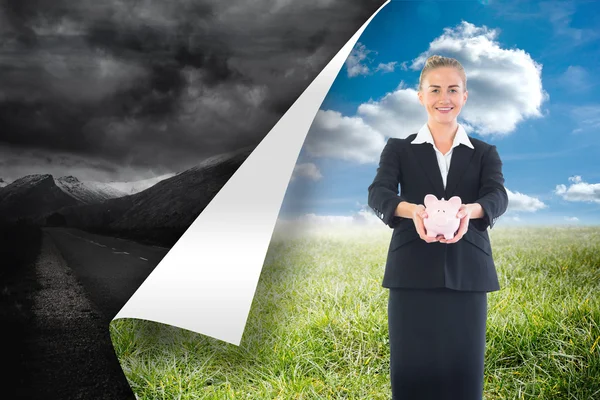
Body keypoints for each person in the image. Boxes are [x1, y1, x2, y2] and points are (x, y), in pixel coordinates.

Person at [367, 55, 508, 400]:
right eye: (435, 89)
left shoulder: (484, 152)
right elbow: (379, 192)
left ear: (464, 96)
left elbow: (497, 195)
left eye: (452, 89)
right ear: (420, 95)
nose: (444, 98)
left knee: (464, 370)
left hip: (468, 270)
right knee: (412, 369)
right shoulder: (399, 149)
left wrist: (471, 211)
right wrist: (412, 210)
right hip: (411, 270)